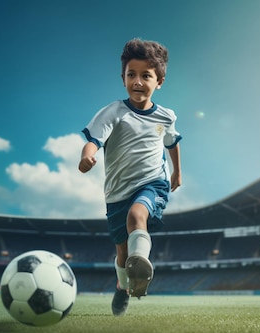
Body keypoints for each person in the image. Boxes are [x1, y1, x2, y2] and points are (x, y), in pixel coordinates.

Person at [78, 38, 182, 316]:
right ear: (123, 77)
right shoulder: (113, 112)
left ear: (159, 81)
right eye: (131, 74)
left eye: (146, 75)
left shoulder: (166, 116)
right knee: (121, 254)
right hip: (116, 193)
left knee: (137, 216)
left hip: (152, 183)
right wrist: (86, 155)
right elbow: (94, 140)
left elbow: (172, 143)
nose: (138, 81)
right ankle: (124, 285)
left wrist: (177, 172)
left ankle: (142, 267)